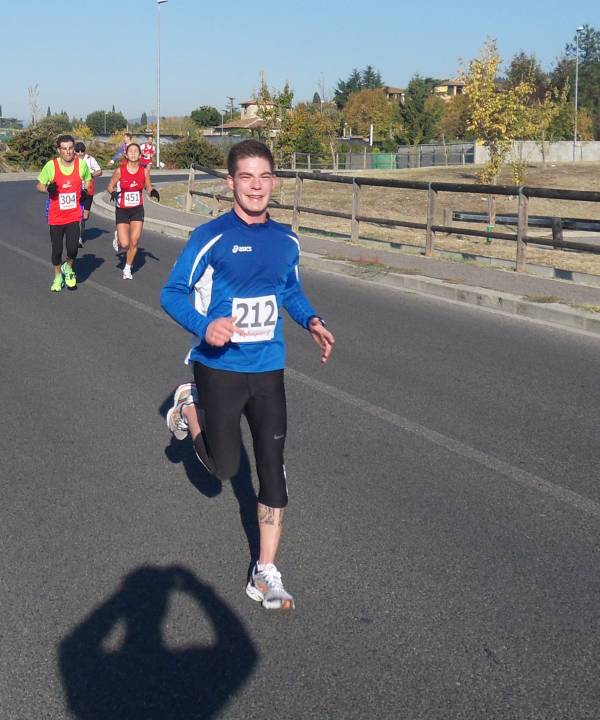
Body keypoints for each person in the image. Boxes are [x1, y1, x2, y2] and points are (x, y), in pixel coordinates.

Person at [160, 140, 335, 611]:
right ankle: (188, 404)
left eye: (264, 177)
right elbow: (171, 292)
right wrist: (204, 325)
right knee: (223, 469)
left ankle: (265, 571)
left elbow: (289, 290)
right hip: (219, 368)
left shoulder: (286, 240)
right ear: (231, 183)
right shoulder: (210, 236)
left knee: (272, 467)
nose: (256, 186)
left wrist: (312, 320)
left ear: (274, 181)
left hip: (268, 369)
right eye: (246, 177)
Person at [36, 134, 92, 291]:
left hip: (73, 215)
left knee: (73, 248)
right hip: (56, 216)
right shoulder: (51, 166)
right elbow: (39, 185)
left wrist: (85, 190)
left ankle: (68, 268)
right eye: (64, 149)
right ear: (59, 150)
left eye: (70, 148)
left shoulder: (81, 165)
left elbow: (88, 179)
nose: (68, 152)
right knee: (57, 250)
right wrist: (48, 189)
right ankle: (57, 276)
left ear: (74, 148)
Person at [106, 142, 160, 279]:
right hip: (122, 210)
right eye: (131, 151)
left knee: (134, 241)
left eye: (136, 151)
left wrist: (152, 191)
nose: (133, 153)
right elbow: (110, 186)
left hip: (137, 209)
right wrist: (113, 193)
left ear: (140, 155)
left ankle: (127, 268)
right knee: (125, 244)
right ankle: (118, 237)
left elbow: (148, 187)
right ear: (126, 154)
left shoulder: (144, 171)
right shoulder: (120, 171)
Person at [74, 142, 102, 247]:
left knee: (84, 216)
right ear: (74, 151)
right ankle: (78, 238)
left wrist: (90, 174)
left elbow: (99, 171)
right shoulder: (72, 159)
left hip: (88, 190)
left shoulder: (90, 159)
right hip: (75, 190)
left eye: (82, 151)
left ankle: (81, 229)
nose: (80, 153)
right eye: (77, 151)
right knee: (76, 214)